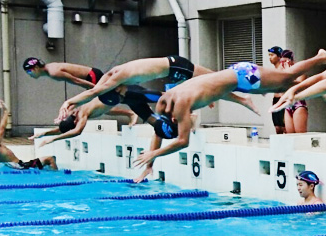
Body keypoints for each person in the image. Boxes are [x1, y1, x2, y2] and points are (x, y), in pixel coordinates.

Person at [155, 50, 326, 124]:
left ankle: (320, 57)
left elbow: (182, 140)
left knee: (286, 77)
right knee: (285, 85)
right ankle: (323, 87)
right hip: (242, 83)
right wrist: (242, 100)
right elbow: (220, 90)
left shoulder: (183, 103)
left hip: (244, 75)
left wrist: (153, 156)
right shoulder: (184, 95)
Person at [55, 54, 253, 118]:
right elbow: (96, 89)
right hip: (172, 69)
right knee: (214, 83)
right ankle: (240, 97)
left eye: (118, 93)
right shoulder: (113, 74)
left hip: (175, 66)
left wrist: (69, 101)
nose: (123, 93)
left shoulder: (117, 77)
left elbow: (95, 90)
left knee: (217, 80)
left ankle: (244, 97)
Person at [127, 86, 200, 181]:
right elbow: (158, 136)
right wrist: (149, 164)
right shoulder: (169, 113)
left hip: (159, 118)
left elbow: (180, 141)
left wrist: (151, 158)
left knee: (132, 97)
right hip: (160, 118)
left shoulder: (167, 111)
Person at [0, 99, 57, 170]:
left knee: (50, 160)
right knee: (50, 159)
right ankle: (57, 179)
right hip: (19, 167)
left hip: (15, 165)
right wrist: (6, 111)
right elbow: (1, 129)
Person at [34, 98, 139, 148]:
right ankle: (131, 113)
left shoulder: (82, 115)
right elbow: (62, 130)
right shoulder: (74, 113)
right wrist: (44, 134)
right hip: (106, 98)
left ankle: (137, 110)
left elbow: (77, 131)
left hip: (113, 94)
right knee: (104, 110)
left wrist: (53, 139)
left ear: (75, 121)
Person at [21, 56, 101, 88]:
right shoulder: (49, 68)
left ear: (36, 67)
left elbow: (76, 81)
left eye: (29, 72)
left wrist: (96, 89)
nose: (29, 75)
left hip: (92, 76)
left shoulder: (53, 72)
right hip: (91, 77)